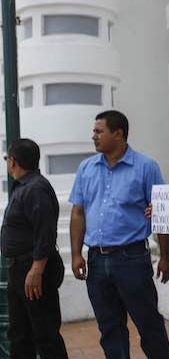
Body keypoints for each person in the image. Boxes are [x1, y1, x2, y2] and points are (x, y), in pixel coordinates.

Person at [69, 110, 169, 359]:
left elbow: (162, 213)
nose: (93, 136)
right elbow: (78, 213)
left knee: (148, 324)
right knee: (109, 328)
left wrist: (166, 256)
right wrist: (76, 254)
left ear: (118, 134)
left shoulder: (146, 167)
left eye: (99, 131)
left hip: (132, 259)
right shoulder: (86, 168)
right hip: (96, 260)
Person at [1, 138, 68, 359]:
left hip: (33, 270)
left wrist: (37, 269)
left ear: (12, 161)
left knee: (45, 334)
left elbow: (45, 232)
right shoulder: (24, 187)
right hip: (20, 270)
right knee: (20, 334)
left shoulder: (35, 188)